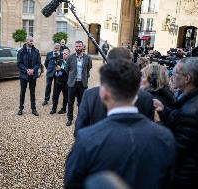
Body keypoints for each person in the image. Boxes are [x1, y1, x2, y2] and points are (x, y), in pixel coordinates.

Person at [64, 58, 176, 189]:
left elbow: (72, 184)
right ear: (137, 92)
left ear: (104, 93)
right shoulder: (165, 137)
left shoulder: (87, 139)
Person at [75, 48, 155, 136]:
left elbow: (79, 130)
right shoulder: (146, 97)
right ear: (131, 64)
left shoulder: (90, 95)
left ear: (107, 63)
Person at [154, 57, 198, 189]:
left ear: (187, 79)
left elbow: (173, 148)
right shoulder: (194, 99)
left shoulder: (192, 111)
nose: (171, 76)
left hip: (186, 178)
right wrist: (165, 111)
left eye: (175, 73)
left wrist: (158, 123)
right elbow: (181, 119)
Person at [65, 40, 92, 126]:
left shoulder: (88, 58)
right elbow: (66, 69)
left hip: (82, 84)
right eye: (76, 46)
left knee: (81, 103)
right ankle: (69, 119)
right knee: (70, 102)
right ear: (75, 47)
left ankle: (80, 119)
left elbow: (88, 69)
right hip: (72, 83)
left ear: (82, 47)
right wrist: (71, 77)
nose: (78, 48)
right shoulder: (70, 57)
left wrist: (85, 78)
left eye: (79, 46)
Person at [17, 36, 41, 116]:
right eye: (30, 41)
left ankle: (33, 109)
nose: (31, 42)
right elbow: (19, 63)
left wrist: (33, 70)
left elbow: (38, 63)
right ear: (26, 41)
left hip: (33, 75)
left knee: (32, 92)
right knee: (22, 92)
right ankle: (20, 108)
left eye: (32, 41)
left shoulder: (36, 51)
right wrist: (26, 70)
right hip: (24, 75)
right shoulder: (21, 51)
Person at [50, 48, 70, 114]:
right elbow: (55, 69)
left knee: (66, 97)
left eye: (66, 54)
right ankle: (54, 109)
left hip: (66, 83)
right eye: (63, 54)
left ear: (68, 55)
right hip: (58, 82)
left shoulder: (70, 63)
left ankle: (64, 109)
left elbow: (68, 73)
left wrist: (61, 69)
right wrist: (56, 72)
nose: (64, 55)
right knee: (55, 96)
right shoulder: (59, 61)